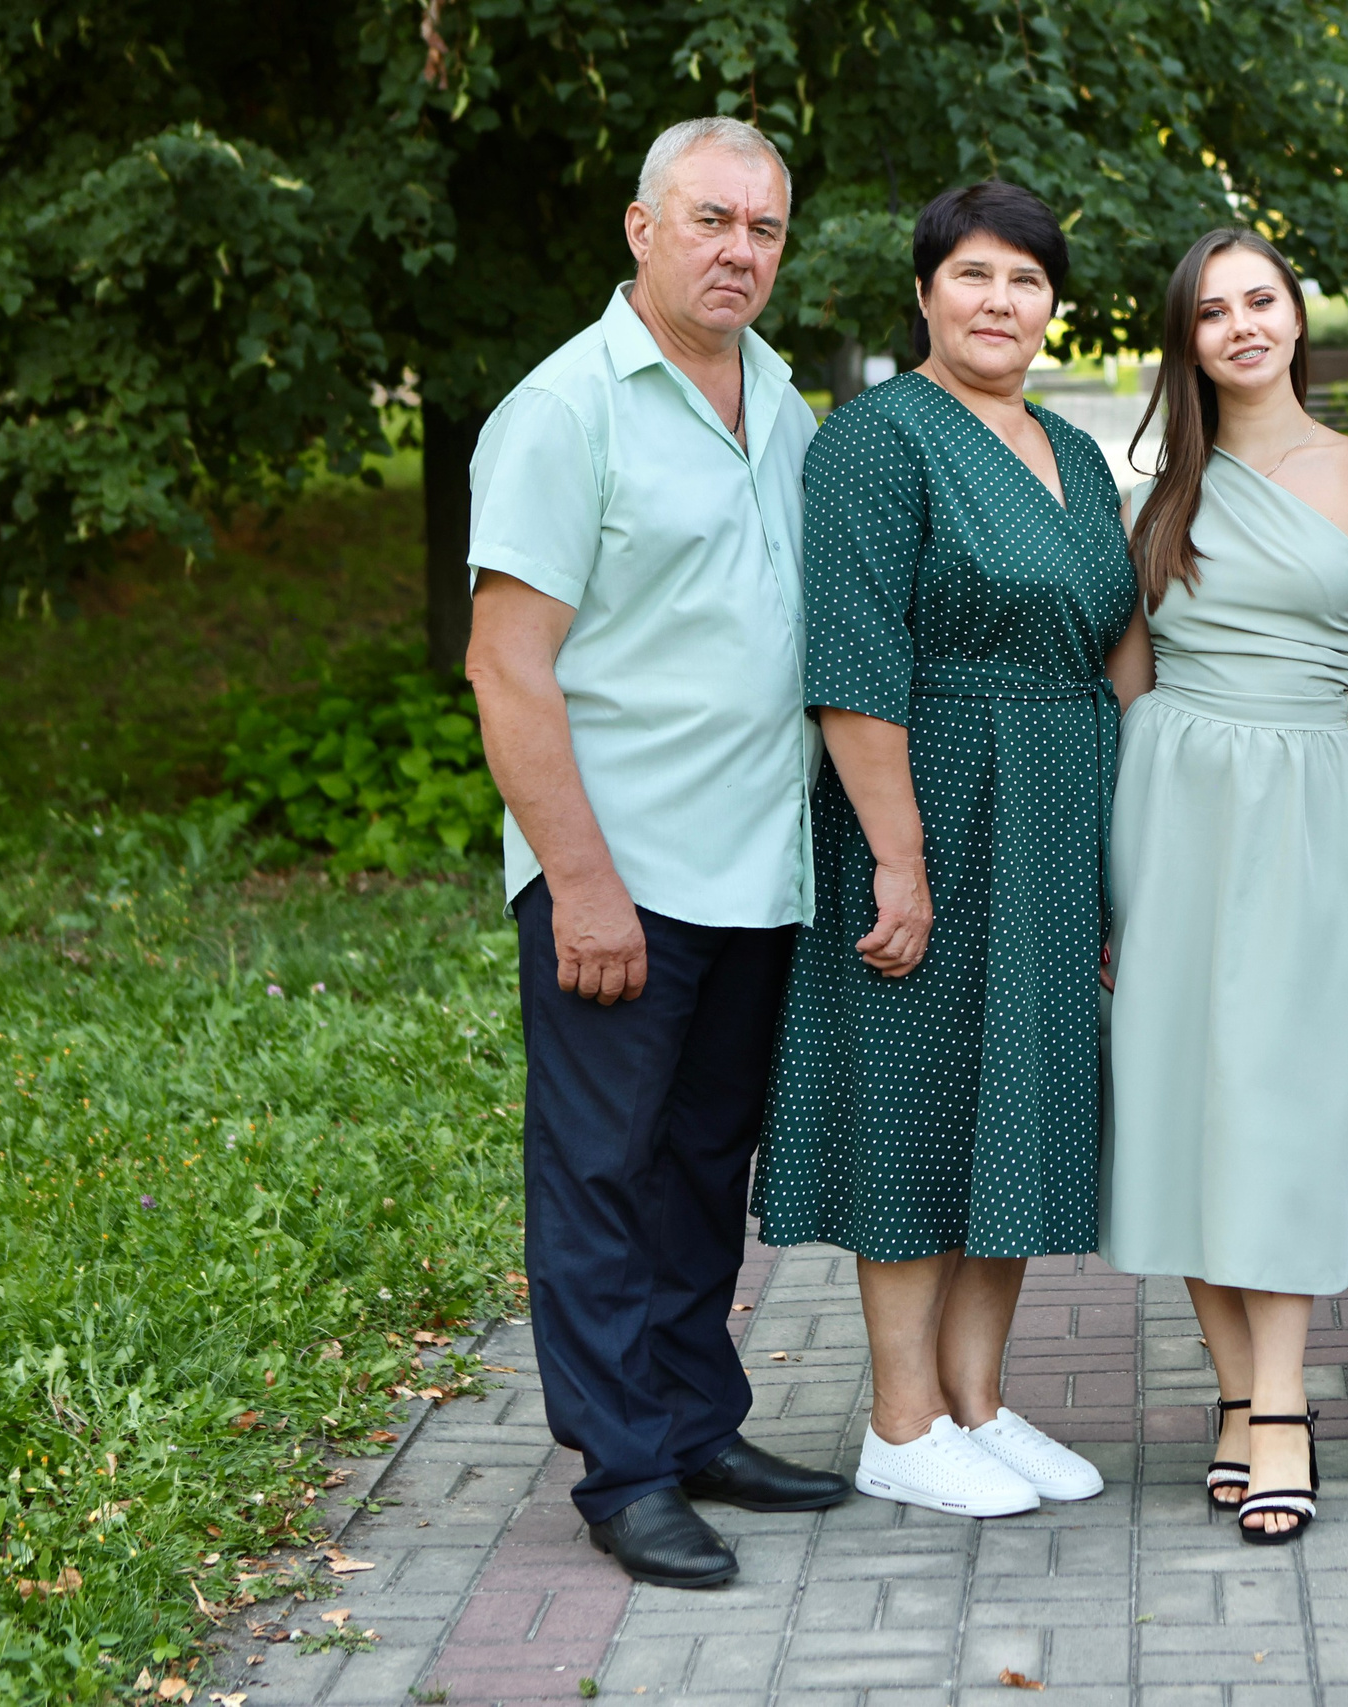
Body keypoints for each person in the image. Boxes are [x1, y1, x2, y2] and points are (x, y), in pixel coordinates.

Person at [464, 116, 852, 1592]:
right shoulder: (565, 412)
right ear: (643, 229)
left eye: (763, 227)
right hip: (620, 878)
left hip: (754, 870)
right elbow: (510, 669)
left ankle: (699, 1423)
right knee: (602, 1175)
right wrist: (579, 880)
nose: (738, 248)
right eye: (710, 220)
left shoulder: (777, 396)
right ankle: (624, 1467)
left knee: (701, 1167)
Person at [752, 181, 1136, 1519]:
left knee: (1015, 1101)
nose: (998, 302)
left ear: (1051, 305)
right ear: (923, 293)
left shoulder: (1074, 453)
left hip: (1055, 806)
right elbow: (854, 663)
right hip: (929, 795)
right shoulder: (873, 442)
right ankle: (899, 1420)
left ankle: (976, 1399)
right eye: (972, 275)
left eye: (1024, 281)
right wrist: (895, 856)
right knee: (913, 1100)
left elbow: (1118, 644)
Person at [1098, 229, 1348, 1545]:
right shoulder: (1163, 490)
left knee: (1280, 1098)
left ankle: (1287, 1404)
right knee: (1190, 1095)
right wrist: (1115, 868)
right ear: (1186, 339)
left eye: (1263, 300)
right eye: (1212, 310)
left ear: (1298, 316)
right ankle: (1241, 1392)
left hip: (1308, 802)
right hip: (1175, 802)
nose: (1242, 324)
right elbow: (1130, 681)